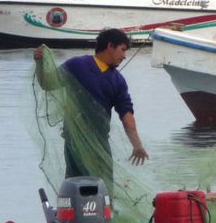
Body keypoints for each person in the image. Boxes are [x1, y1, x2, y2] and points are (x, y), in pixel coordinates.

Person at [34, 28, 148, 182]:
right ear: (110, 46)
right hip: (75, 143)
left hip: (97, 143)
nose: (124, 56)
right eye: (122, 50)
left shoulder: (117, 80)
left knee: (94, 188)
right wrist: (40, 63)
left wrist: (137, 145)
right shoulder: (77, 66)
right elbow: (47, 84)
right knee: (87, 188)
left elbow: (127, 116)